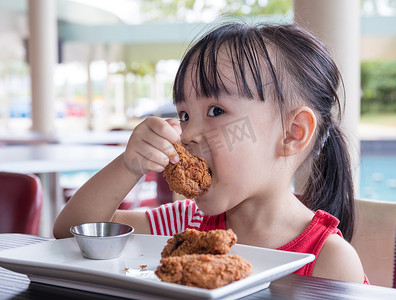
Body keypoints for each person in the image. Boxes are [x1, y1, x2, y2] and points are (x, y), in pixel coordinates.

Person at [53, 22, 368, 284]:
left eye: (216, 110)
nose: (187, 134)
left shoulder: (328, 259)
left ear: (292, 133)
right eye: (185, 114)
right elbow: (74, 233)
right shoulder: (185, 224)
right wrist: (128, 165)